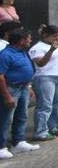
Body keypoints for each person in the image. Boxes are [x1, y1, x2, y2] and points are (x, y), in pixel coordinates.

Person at [0, 27, 40, 159]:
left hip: (23, 88)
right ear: (21, 40)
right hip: (11, 88)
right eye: (28, 38)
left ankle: (19, 141)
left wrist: (29, 86)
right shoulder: (5, 55)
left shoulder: (23, 52)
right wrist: (7, 96)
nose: (30, 40)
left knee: (22, 115)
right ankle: (1, 146)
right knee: (6, 118)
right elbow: (1, 76)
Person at [30, 25, 58, 141]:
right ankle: (41, 131)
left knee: (55, 104)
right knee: (45, 105)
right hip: (45, 77)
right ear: (45, 35)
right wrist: (51, 50)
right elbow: (41, 63)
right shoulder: (37, 48)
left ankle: (53, 127)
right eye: (54, 36)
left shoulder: (57, 46)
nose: (57, 38)